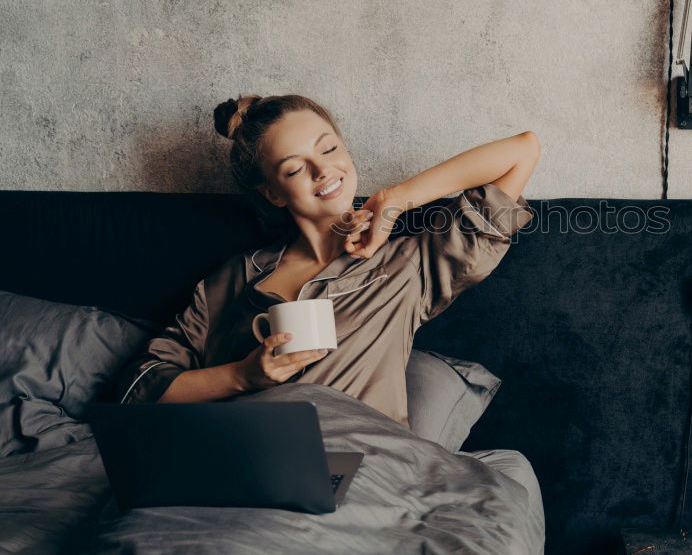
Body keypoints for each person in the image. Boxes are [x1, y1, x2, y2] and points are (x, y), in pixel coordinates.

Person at [116, 93, 539, 429]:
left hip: (368, 471)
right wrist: (243, 376)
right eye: (295, 169)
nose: (323, 170)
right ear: (273, 194)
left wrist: (393, 200)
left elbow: (523, 150)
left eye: (329, 148)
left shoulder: (408, 265)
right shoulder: (233, 280)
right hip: (251, 465)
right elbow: (139, 390)